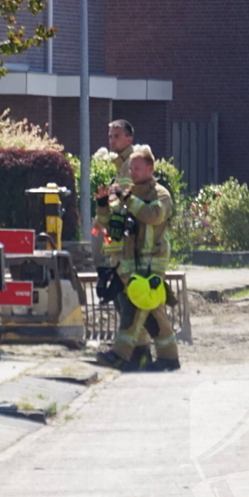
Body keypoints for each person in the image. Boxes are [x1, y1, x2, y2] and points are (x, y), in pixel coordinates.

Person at [94, 147, 181, 372]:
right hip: (130, 261)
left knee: (139, 304)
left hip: (152, 261)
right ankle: (167, 358)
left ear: (150, 169)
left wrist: (128, 198)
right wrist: (103, 205)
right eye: (131, 168)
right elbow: (109, 223)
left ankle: (121, 354)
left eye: (137, 168)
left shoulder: (160, 194)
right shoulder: (127, 194)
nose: (132, 172)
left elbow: (154, 216)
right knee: (152, 309)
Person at [94, 119, 153, 370]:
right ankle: (138, 355)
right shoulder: (121, 166)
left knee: (128, 303)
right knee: (124, 302)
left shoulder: (131, 165)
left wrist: (108, 209)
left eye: (117, 136)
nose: (112, 140)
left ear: (129, 139)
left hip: (129, 248)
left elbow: (127, 202)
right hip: (119, 248)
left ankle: (133, 354)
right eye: (110, 136)